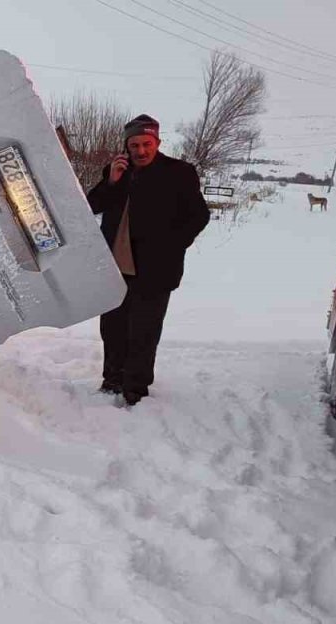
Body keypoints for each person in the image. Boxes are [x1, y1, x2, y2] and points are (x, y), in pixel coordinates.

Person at [86, 114, 210, 406]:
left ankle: (135, 388)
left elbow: (199, 216)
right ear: (126, 146)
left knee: (143, 331)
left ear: (157, 142)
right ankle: (112, 380)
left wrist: (173, 245)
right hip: (116, 268)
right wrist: (112, 182)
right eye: (135, 145)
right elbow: (93, 205)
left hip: (155, 271)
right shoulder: (117, 170)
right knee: (112, 328)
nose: (141, 151)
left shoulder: (179, 172)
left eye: (147, 144)